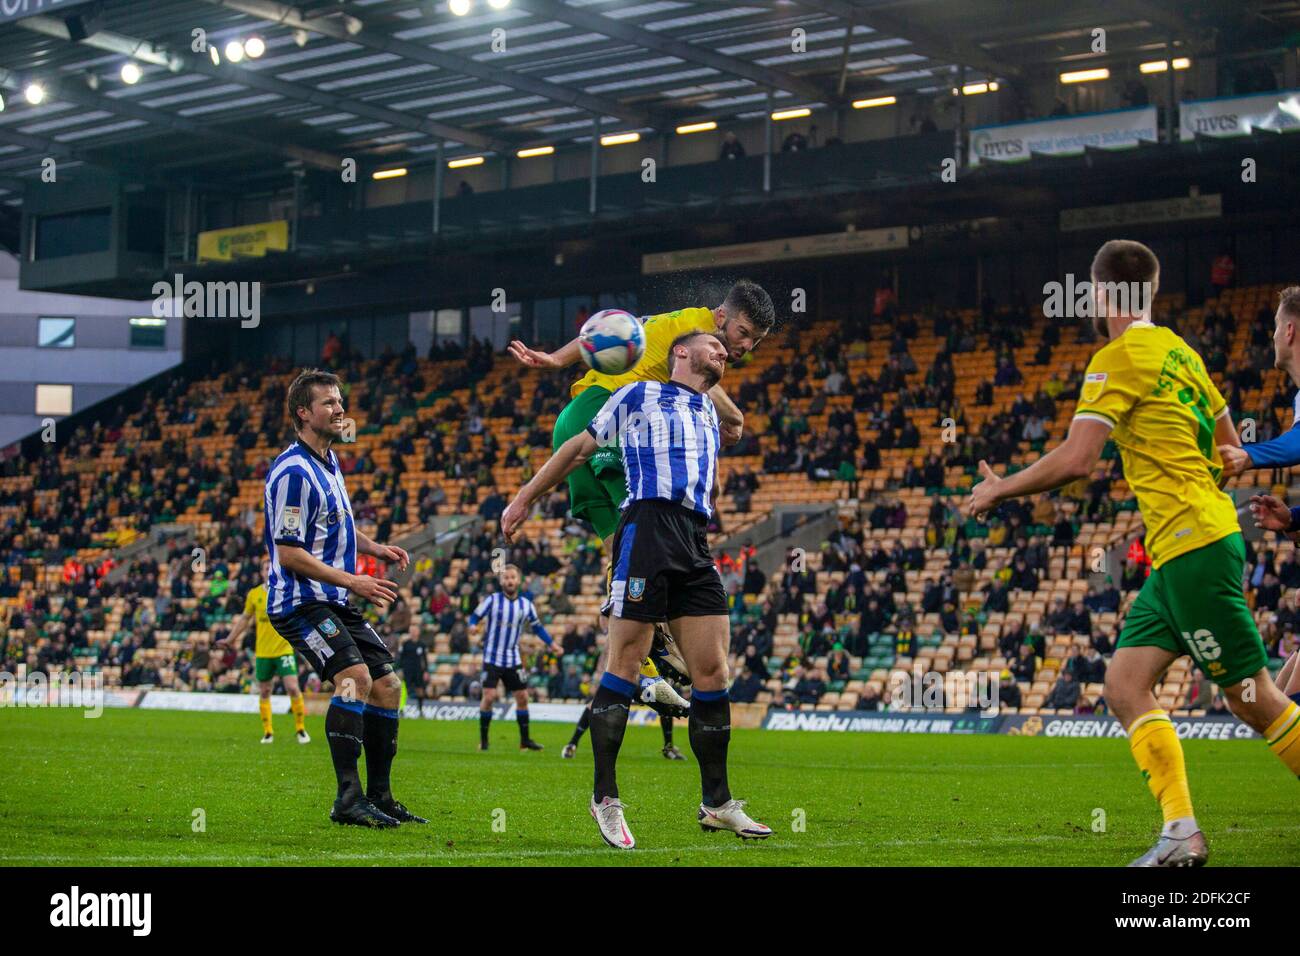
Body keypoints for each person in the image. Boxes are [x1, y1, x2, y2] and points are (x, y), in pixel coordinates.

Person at [967, 239, 1300, 867]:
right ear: (1148, 292)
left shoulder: (1114, 359)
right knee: (1124, 685)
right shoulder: (1184, 353)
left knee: (1254, 699)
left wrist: (1000, 488)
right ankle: (1180, 832)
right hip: (1182, 549)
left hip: (1194, 547)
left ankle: (1183, 831)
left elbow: (1078, 459)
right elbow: (1230, 451)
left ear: (1098, 294)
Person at [502, 331, 772, 848]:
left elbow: (727, 438)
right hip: (646, 529)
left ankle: (716, 804)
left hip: (695, 538)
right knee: (624, 665)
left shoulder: (709, 413)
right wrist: (525, 498)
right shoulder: (636, 395)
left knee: (712, 672)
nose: (724, 352)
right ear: (681, 353)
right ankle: (606, 798)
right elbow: (578, 450)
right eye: (712, 345)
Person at [263, 369, 425, 829]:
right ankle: (347, 799)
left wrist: (374, 548)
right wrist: (355, 580)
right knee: (354, 678)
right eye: (329, 403)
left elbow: (336, 525)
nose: (339, 409)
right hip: (299, 602)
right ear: (303, 412)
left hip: (332, 598)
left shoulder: (329, 462)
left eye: (340, 401)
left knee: (388, 684)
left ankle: (380, 795)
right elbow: (290, 554)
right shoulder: (293, 472)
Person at [216, 561, 309, 744]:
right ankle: (268, 732)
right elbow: (245, 619)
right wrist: (230, 639)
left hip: (283, 650)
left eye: (271, 568)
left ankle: (300, 729)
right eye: (266, 568)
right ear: (261, 572)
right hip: (263, 652)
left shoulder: (286, 590)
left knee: (292, 687)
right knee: (265, 690)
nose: (268, 571)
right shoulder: (254, 594)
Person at [468, 563, 553, 752]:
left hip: (513, 658)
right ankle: (484, 741)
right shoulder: (492, 600)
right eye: (506, 577)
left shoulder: (526, 605)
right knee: (489, 697)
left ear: (519, 580)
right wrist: (473, 625)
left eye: (513, 577)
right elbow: (474, 616)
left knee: (522, 697)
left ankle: (525, 740)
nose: (510, 581)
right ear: (501, 581)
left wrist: (552, 644)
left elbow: (537, 627)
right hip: (492, 657)